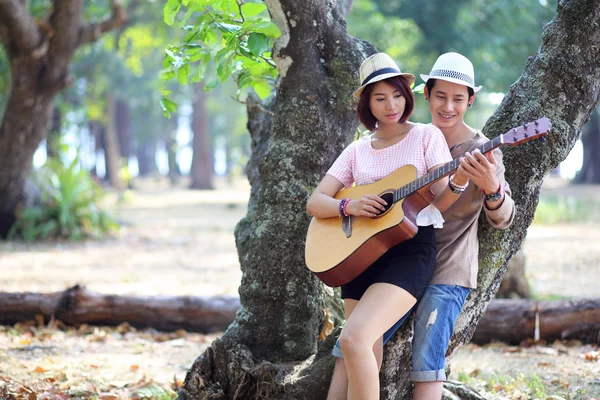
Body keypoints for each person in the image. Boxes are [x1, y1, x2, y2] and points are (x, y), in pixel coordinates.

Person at [326, 52, 516, 400]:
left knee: (427, 364)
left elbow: (504, 219)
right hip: (392, 259)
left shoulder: (483, 151)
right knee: (349, 346)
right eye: (440, 96)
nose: (448, 106)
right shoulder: (409, 139)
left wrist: (491, 188)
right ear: (425, 95)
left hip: (446, 267)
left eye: (458, 99)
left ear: (470, 100)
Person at [306, 52, 471, 400]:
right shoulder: (357, 150)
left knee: (353, 338)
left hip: (408, 252)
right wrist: (350, 205)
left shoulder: (426, 137)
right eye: (380, 98)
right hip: (357, 255)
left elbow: (440, 201)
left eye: (396, 94)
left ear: (407, 96)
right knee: (364, 348)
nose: (390, 104)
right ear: (368, 104)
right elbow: (315, 202)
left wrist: (457, 183)